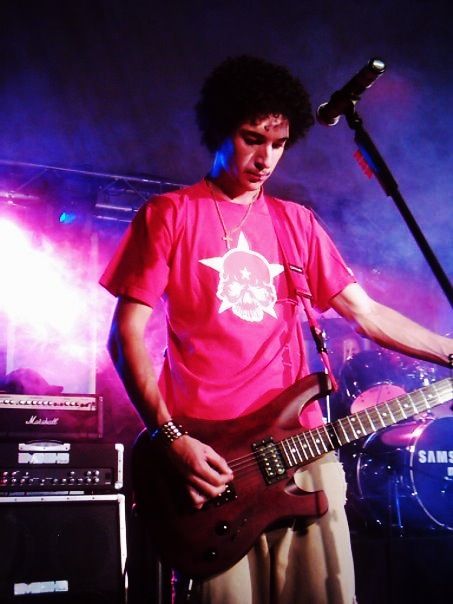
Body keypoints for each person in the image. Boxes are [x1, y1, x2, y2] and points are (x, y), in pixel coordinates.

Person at [100, 55, 452, 604]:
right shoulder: (170, 214)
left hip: (302, 448)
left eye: (279, 143)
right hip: (214, 462)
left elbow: (367, 314)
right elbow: (124, 338)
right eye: (252, 139)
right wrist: (171, 440)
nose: (266, 158)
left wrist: (449, 351)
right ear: (221, 129)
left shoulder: (297, 223)